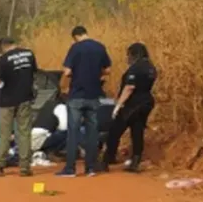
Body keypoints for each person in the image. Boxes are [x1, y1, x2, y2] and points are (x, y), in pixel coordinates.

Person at [58, 25, 111, 177]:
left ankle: (70, 169)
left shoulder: (75, 48)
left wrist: (72, 75)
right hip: (94, 95)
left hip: (77, 95)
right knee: (92, 133)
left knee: (73, 132)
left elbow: (67, 71)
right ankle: (90, 168)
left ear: (75, 36)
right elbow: (107, 70)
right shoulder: (100, 47)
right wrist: (95, 73)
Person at [102, 42, 157, 173]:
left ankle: (107, 159)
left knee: (115, 130)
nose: (127, 58)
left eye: (128, 55)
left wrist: (118, 106)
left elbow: (129, 88)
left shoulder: (135, 68)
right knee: (137, 131)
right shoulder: (151, 68)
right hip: (146, 102)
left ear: (134, 54)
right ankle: (135, 161)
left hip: (133, 104)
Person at [0, 37, 38, 177]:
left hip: (7, 101)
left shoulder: (3, 59)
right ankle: (25, 167)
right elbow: (33, 73)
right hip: (25, 98)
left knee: (4, 133)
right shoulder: (29, 54)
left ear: (3, 47)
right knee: (24, 132)